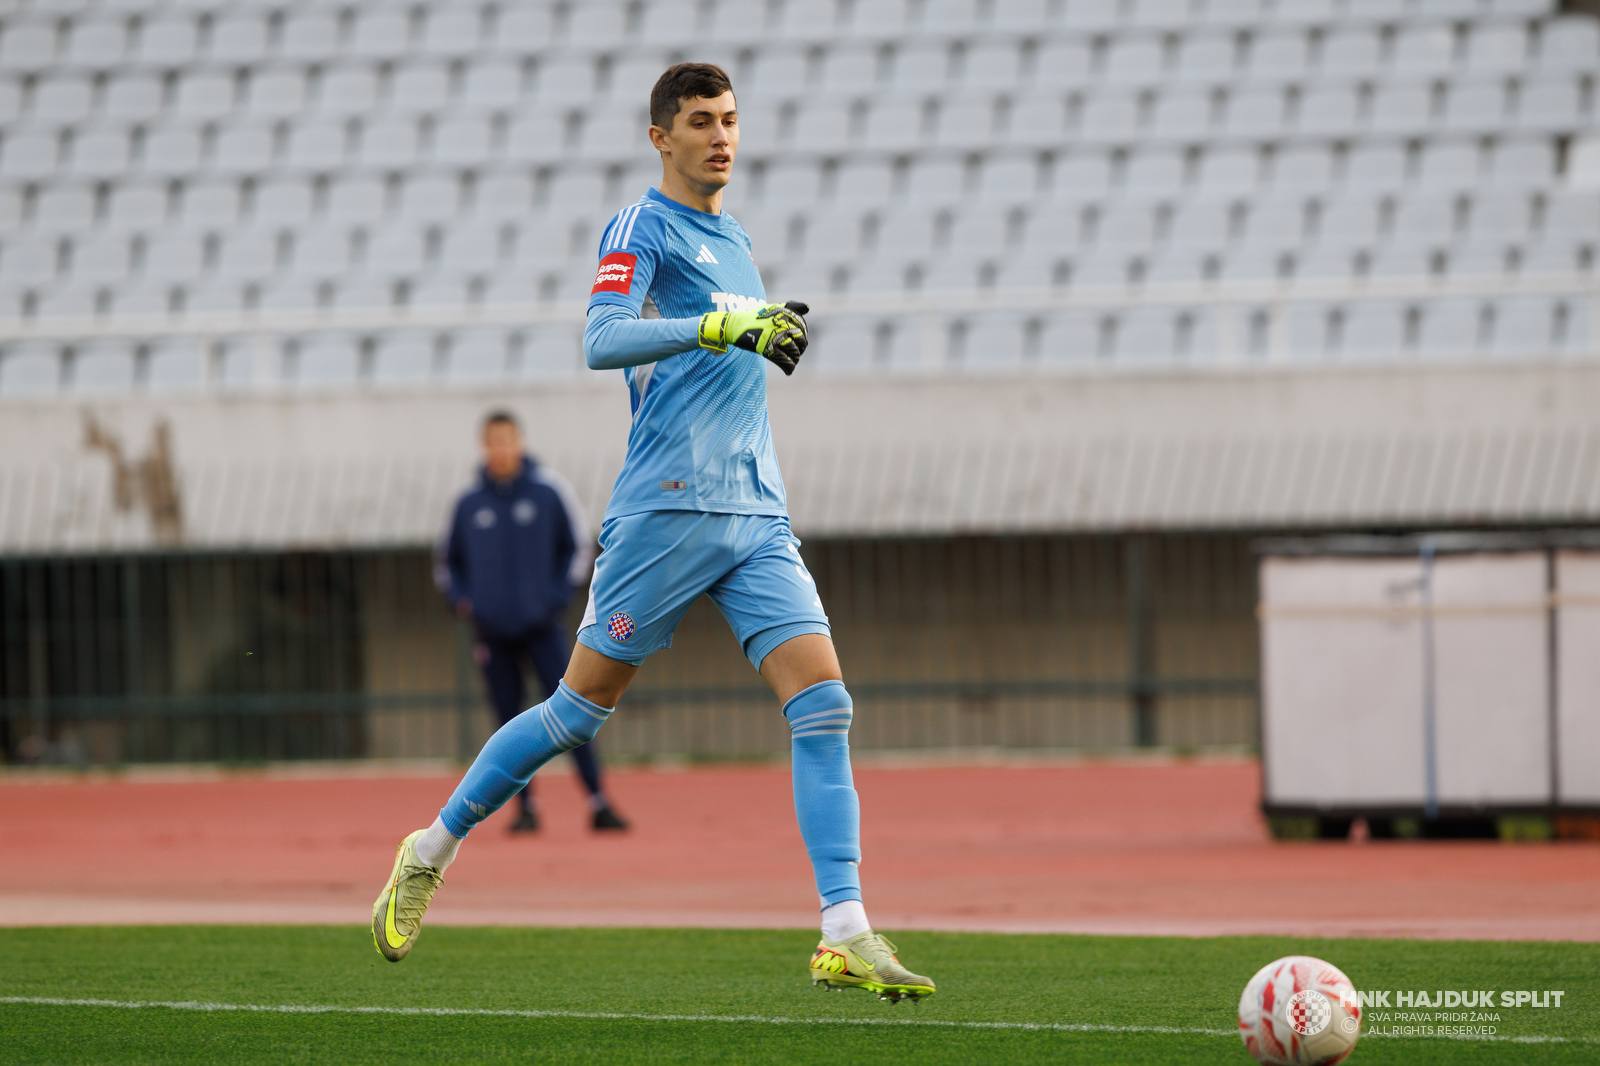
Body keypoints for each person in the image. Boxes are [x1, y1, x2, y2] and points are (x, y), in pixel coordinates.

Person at [373, 63, 934, 1002]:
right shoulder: (641, 226)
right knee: (576, 713)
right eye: (701, 122)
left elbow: (731, 346)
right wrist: (721, 324)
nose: (722, 137)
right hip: (666, 510)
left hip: (755, 513)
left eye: (731, 120)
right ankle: (430, 850)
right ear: (660, 137)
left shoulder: (736, 237)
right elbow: (601, 337)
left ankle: (846, 929)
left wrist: (756, 329)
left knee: (825, 703)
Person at [436, 410, 628, 833]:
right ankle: (525, 809)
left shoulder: (548, 492)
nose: (501, 450)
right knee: (508, 723)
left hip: (544, 629)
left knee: (573, 714)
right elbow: (448, 565)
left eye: (507, 440)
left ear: (519, 442)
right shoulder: (468, 504)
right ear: (484, 446)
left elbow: (579, 547)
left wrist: (555, 598)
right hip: (492, 634)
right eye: (493, 442)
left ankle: (598, 801)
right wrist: (466, 604)